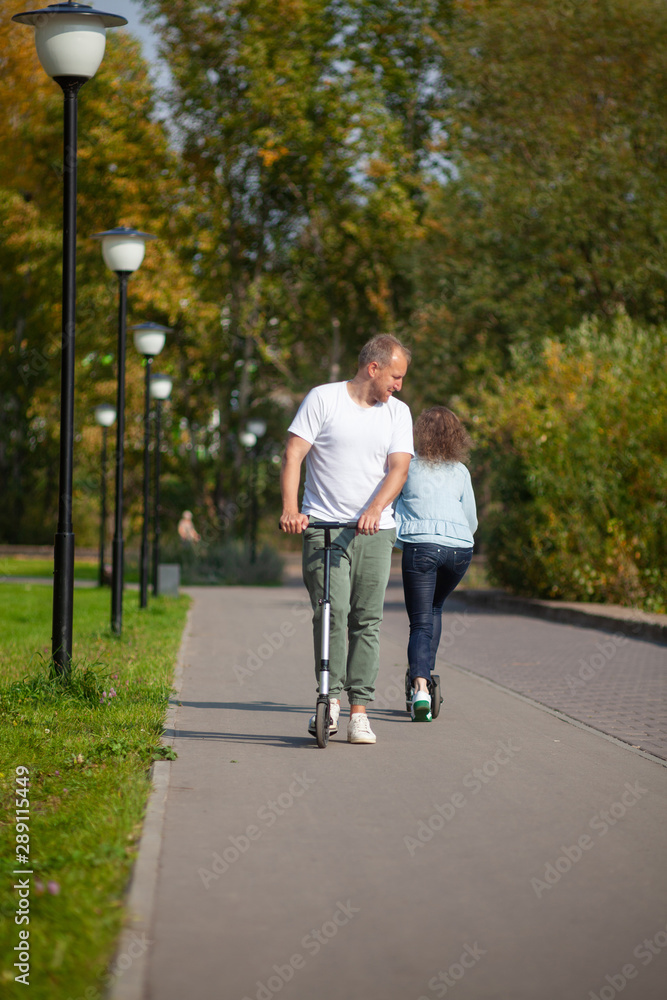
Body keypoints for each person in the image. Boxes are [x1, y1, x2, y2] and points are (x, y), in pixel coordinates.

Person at [280, 335, 414, 744]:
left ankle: (360, 711)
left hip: (375, 532)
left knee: (366, 619)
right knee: (331, 613)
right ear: (373, 368)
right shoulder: (323, 399)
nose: (399, 385)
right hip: (323, 528)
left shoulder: (398, 413)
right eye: (396, 376)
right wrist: (290, 508)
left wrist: (374, 510)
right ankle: (329, 700)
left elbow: (399, 469)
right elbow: (293, 455)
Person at [394, 406, 478, 721]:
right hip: (459, 551)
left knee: (420, 621)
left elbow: (388, 504)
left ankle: (420, 688)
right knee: (434, 610)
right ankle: (426, 674)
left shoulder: (407, 467)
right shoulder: (460, 471)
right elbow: (471, 520)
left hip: (421, 547)